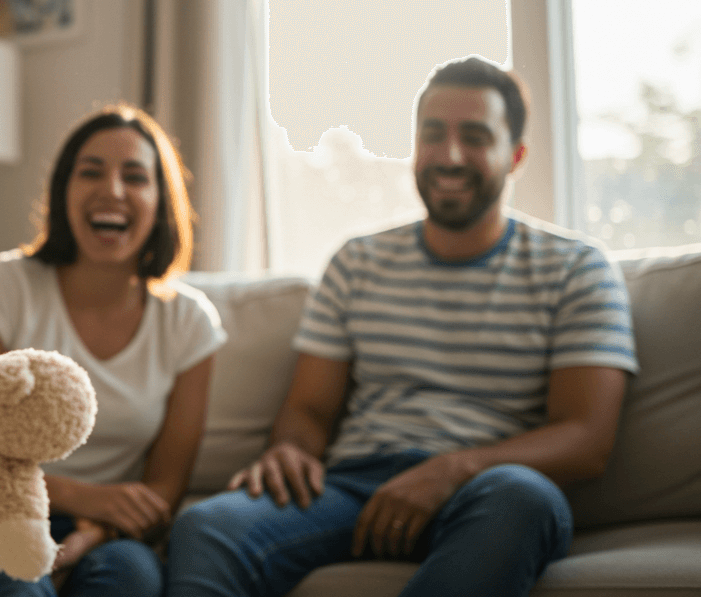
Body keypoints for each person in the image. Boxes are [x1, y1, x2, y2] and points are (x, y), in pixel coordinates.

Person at [165, 55, 639, 597]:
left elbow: (586, 439)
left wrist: (452, 470)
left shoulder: (577, 269)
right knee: (208, 526)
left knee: (524, 498)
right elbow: (309, 409)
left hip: (489, 492)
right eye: (433, 134)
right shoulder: (357, 262)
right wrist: (291, 449)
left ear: (516, 156)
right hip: (353, 487)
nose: (450, 155)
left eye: (475, 137)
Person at [0, 103, 227, 597]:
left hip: (105, 529)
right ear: (63, 190)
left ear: (161, 201)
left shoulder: (190, 322)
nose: (113, 190)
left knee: (129, 583)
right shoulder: (4, 286)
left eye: (135, 177)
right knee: (20, 588)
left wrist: (92, 533)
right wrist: (81, 497)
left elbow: (161, 492)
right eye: (91, 171)